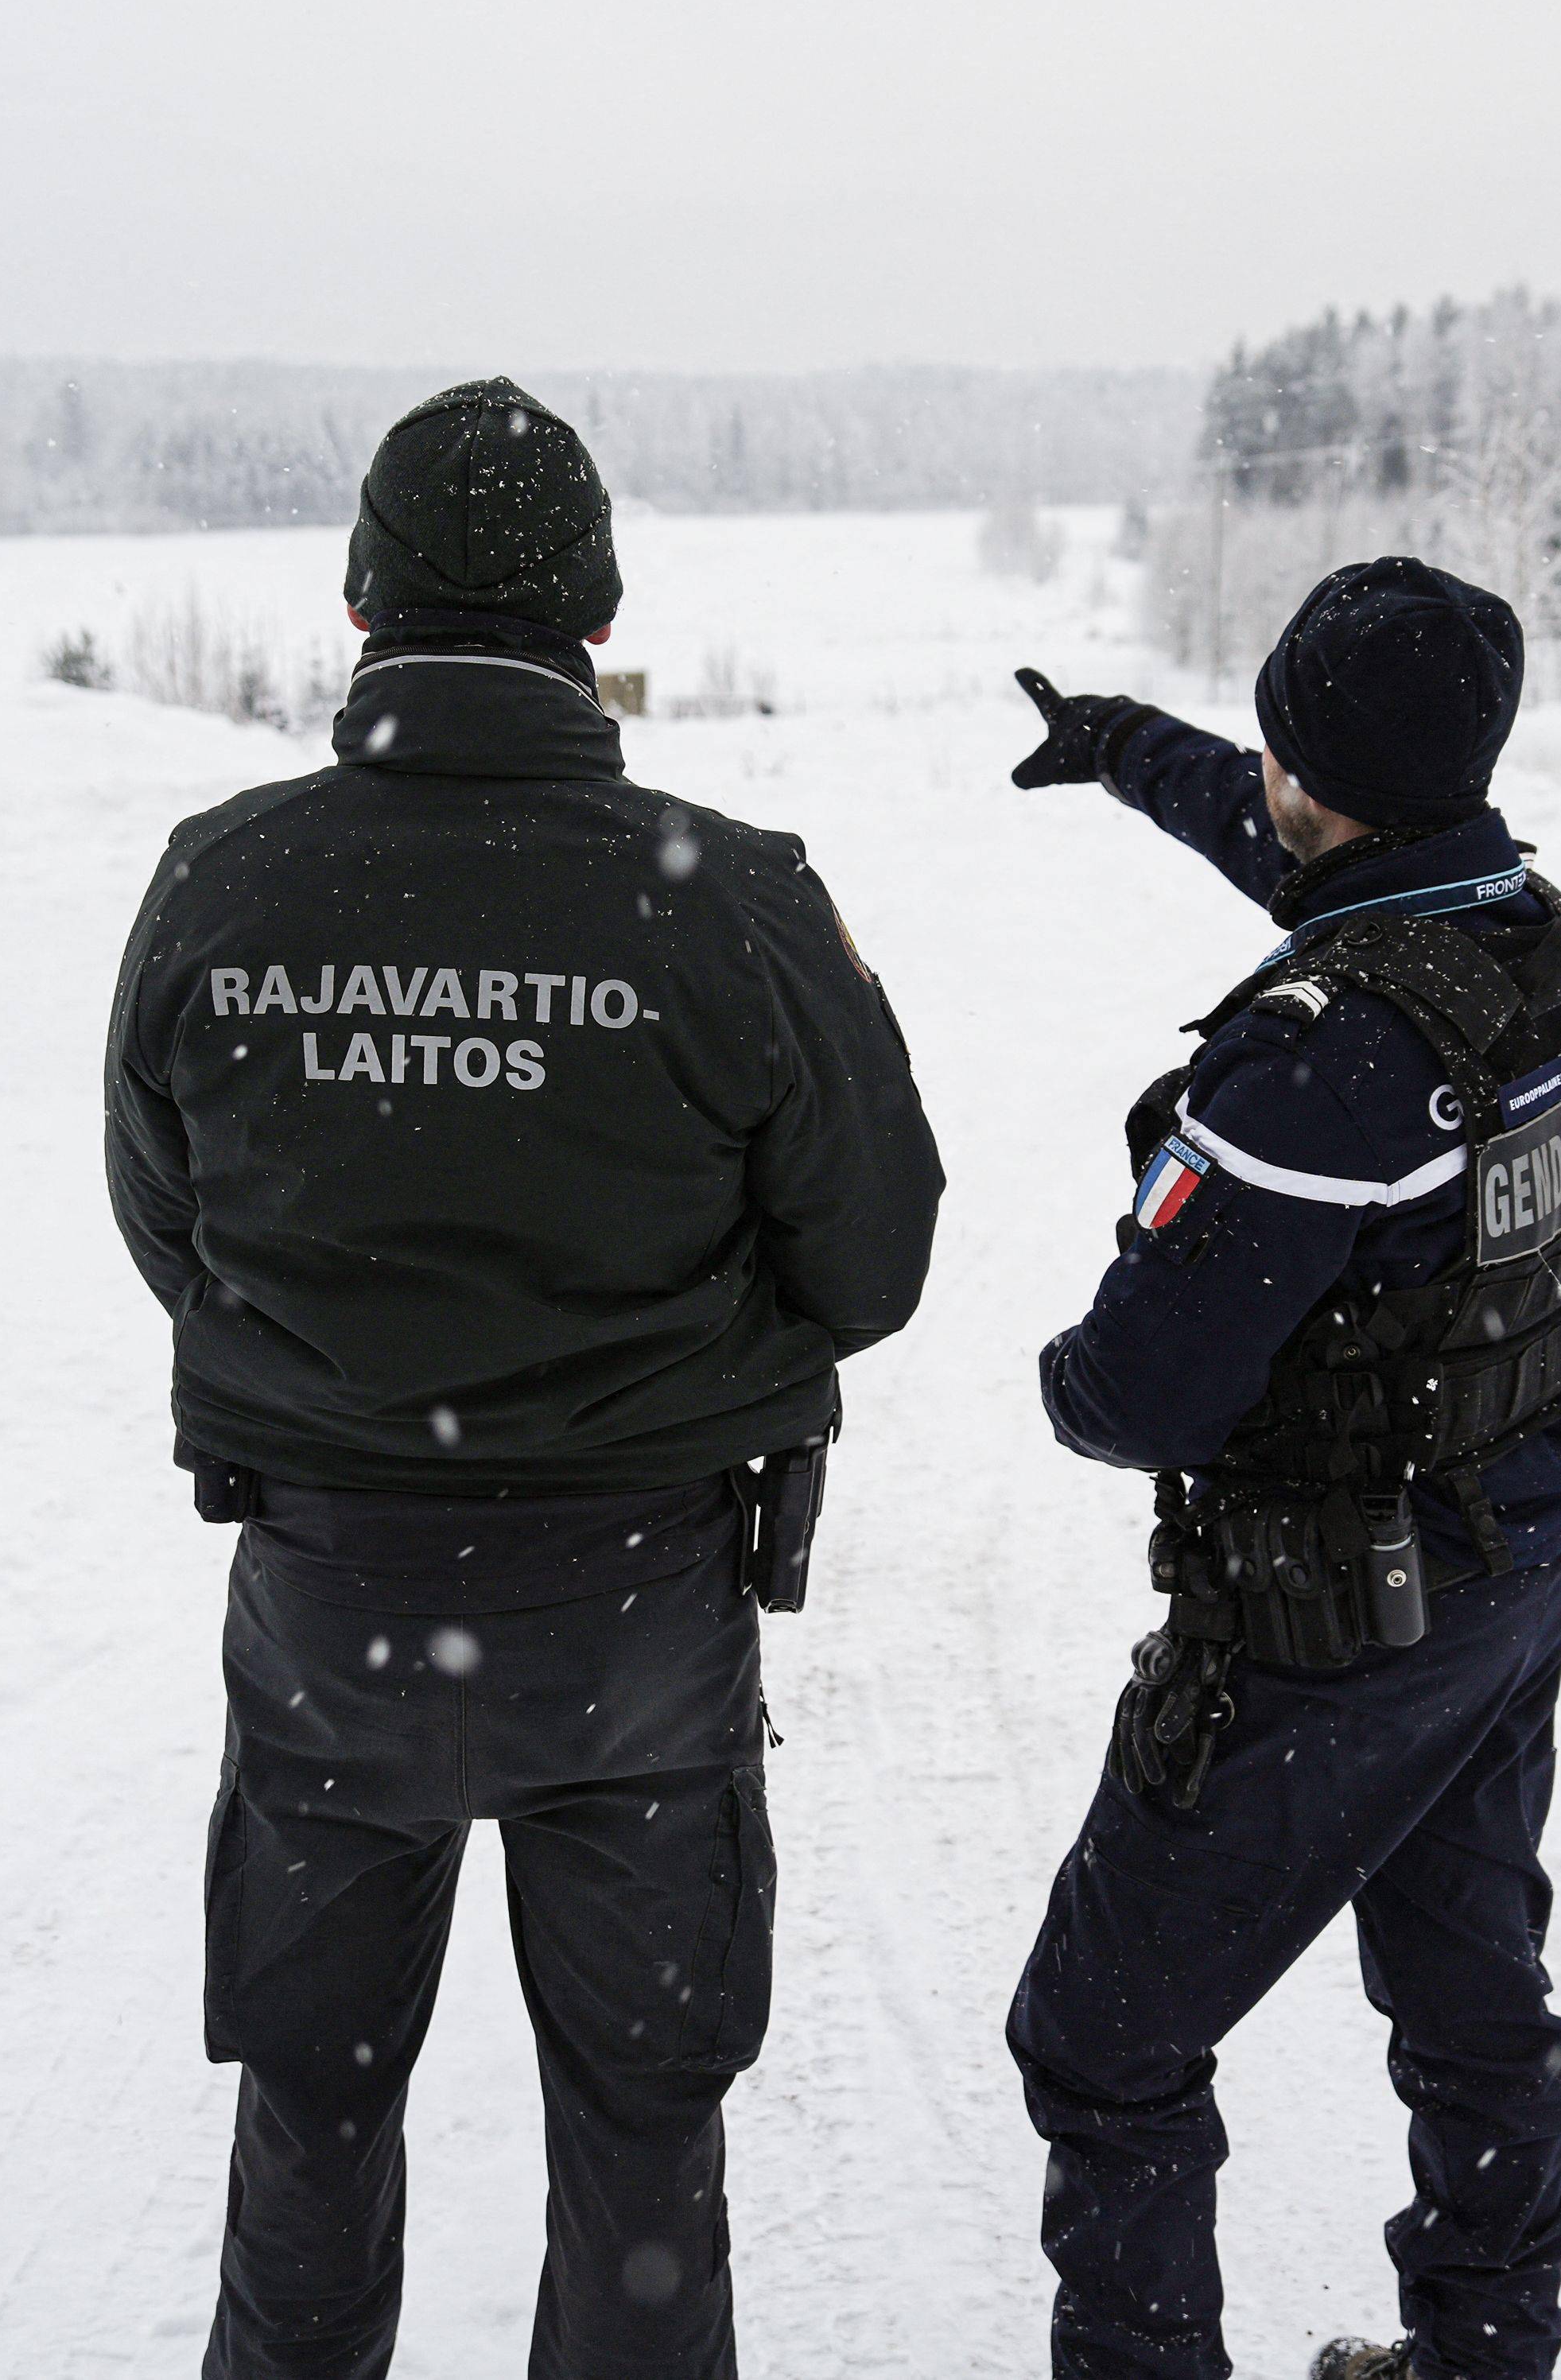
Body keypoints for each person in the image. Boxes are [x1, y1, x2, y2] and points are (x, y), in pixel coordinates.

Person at [103, 378, 946, 2380]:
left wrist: (361, 1373)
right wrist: (661, 1357)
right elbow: (873, 1252)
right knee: (644, 2139)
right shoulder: (724, 893)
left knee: (309, 2111)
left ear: (362, 604)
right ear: (593, 611)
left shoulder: (224, 878)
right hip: (634, 1615)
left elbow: (174, 1228)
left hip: (330, 1614)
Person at [998, 558, 1561, 2380]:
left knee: (1101, 2039)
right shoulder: (1532, 944)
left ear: (1318, 762)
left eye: (1277, 745)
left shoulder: (1318, 1066)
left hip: (1334, 1621)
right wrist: (1119, 745)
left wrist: (1056, 1373)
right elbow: (1282, 828)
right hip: (1511, 1563)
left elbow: (1140, 1392)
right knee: (1470, 2004)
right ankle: (1484, 2351)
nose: (1259, 778)